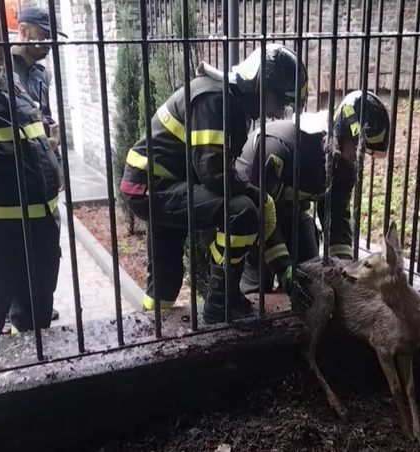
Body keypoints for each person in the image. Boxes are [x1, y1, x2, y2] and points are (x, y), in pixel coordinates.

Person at [120, 43, 312, 324]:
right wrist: (257, 195)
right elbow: (213, 172)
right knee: (243, 211)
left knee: (165, 279)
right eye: (280, 102)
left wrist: (285, 269)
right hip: (153, 186)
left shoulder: (229, 100)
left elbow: (213, 171)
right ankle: (221, 303)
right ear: (262, 87)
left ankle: (150, 331)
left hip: (156, 184)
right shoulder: (216, 98)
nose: (278, 113)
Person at [236, 90, 391, 295]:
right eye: (359, 147)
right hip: (255, 212)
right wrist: (283, 266)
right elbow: (263, 211)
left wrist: (344, 269)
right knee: (259, 282)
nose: (361, 156)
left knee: (310, 277)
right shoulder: (280, 147)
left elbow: (337, 220)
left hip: (293, 211)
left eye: (367, 151)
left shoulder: (345, 165)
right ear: (344, 132)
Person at [0, 6, 62, 335]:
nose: (0, 55)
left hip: (38, 233)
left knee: (34, 330)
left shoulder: (12, 81)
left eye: (0, 43)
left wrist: (47, 145)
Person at [10, 6, 68, 325]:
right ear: (23, 32)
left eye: (50, 37)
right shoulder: (5, 70)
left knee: (46, 259)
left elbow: (42, 116)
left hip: (43, 180)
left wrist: (53, 158)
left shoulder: (42, 73)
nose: (47, 42)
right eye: (41, 35)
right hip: (17, 183)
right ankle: (18, 316)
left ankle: (39, 303)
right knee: (20, 261)